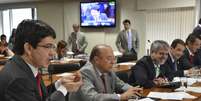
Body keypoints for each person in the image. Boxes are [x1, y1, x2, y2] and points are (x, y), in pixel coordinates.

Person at [0, 19, 82, 101]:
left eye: (52, 47)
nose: (53, 53)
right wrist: (64, 89)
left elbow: (38, 95)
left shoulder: (26, 66)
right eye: (47, 47)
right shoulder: (18, 81)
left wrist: (59, 84)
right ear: (28, 48)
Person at [69, 44, 142, 101]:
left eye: (114, 58)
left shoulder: (107, 70)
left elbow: (121, 85)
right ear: (96, 60)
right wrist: (120, 96)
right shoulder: (85, 72)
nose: (113, 62)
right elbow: (92, 98)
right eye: (109, 59)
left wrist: (133, 89)